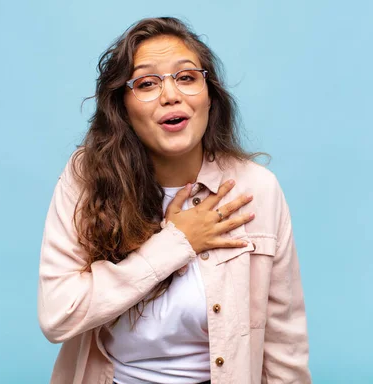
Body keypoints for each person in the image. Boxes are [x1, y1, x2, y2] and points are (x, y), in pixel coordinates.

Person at [38, 17, 311, 384]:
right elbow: (59, 316)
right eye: (147, 83)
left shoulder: (256, 189)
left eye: (186, 77)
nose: (170, 95)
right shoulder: (85, 179)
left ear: (210, 95)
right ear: (122, 107)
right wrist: (176, 242)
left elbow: (284, 345)